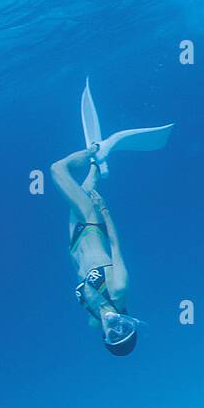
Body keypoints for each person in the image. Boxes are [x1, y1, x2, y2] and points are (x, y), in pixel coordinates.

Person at [51, 81, 173, 356]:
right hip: (93, 224)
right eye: (124, 330)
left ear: (105, 338)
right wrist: (104, 211)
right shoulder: (119, 288)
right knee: (58, 170)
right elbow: (116, 246)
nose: (115, 329)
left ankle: (99, 165)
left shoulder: (94, 320)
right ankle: (94, 152)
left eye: (113, 336)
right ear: (132, 322)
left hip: (73, 237)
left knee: (84, 186)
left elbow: (80, 271)